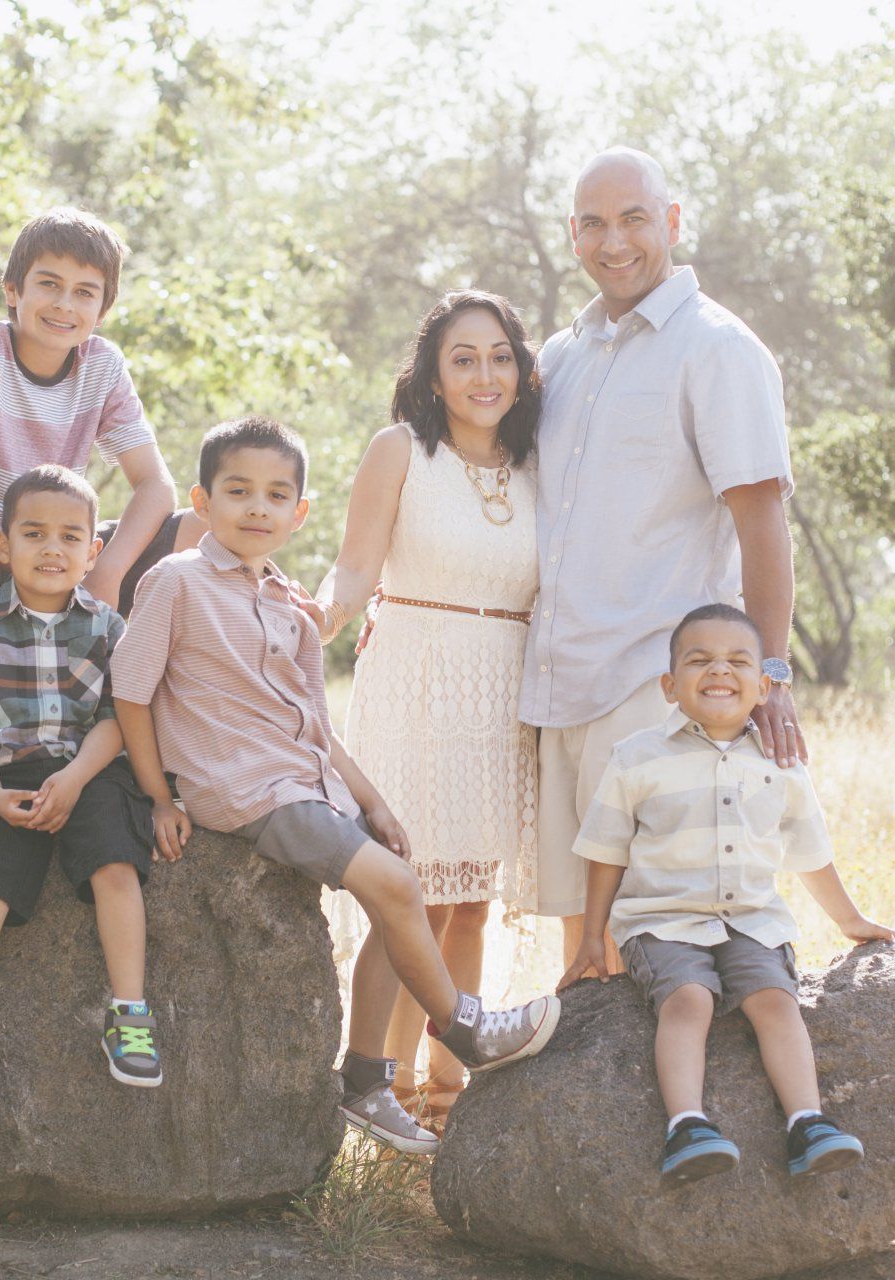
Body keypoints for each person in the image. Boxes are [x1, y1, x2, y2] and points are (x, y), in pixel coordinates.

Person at [109, 416, 561, 1155]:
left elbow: (316, 725)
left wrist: (374, 802)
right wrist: (160, 796)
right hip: (248, 790)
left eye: (275, 495)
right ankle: (465, 1028)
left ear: (299, 513)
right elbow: (130, 692)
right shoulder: (177, 581)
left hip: (306, 780)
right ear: (202, 500)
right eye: (238, 492)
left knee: (398, 887)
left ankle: (366, 1081)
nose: (257, 508)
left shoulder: (289, 603)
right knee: (398, 885)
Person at [526, 148, 810, 971]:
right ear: (572, 235)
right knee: (581, 933)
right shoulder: (560, 356)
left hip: (653, 683)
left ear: (674, 222)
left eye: (634, 219)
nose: (613, 242)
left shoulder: (717, 348)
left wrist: (772, 674)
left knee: (655, 932)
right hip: (560, 683)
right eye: (593, 224)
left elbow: (761, 521)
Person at [0, 208, 177, 881]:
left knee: (189, 532)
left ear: (103, 308)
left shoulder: (102, 366)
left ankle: (163, 757)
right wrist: (8, 552)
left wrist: (104, 575)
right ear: (13, 290)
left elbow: (155, 486)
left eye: (85, 292)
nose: (65, 304)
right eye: (49, 284)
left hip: (51, 554)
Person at [559, 603, 895, 1181]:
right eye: (700, 660)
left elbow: (810, 852)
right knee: (690, 999)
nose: (719, 670)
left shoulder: (781, 764)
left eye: (738, 661)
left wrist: (850, 920)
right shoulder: (638, 758)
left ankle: (808, 1123)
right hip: (662, 922)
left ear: (764, 687)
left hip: (752, 920)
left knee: (775, 999)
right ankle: (687, 1126)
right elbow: (606, 852)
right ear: (669, 686)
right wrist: (592, 937)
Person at [314, 290, 542, 1128]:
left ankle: (449, 1100)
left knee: (471, 901)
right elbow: (354, 567)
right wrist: (322, 614)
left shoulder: (539, 464)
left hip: (501, 691)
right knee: (413, 893)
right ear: (434, 376)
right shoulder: (401, 450)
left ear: (521, 371)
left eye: (500, 357)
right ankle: (388, 1091)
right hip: (414, 681)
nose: (485, 375)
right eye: (464, 358)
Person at [0, 466, 163, 1124]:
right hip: (9, 775)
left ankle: (130, 1014)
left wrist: (78, 777)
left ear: (93, 551)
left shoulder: (108, 626)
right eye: (33, 534)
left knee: (117, 868)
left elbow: (117, 719)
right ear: (3, 546)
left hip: (92, 770)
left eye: (69, 537)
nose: (52, 549)